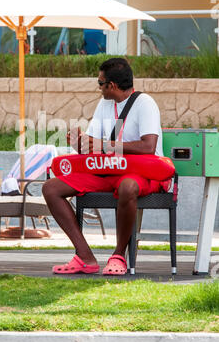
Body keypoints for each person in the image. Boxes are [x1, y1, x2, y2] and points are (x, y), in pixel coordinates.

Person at [42, 58, 169, 276]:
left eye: (100, 83)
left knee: (128, 187)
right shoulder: (105, 104)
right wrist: (80, 143)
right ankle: (84, 257)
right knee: (51, 188)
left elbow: (149, 146)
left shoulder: (144, 103)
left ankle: (118, 255)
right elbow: (93, 144)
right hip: (108, 168)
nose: (98, 88)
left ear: (112, 86)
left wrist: (106, 144)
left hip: (144, 173)